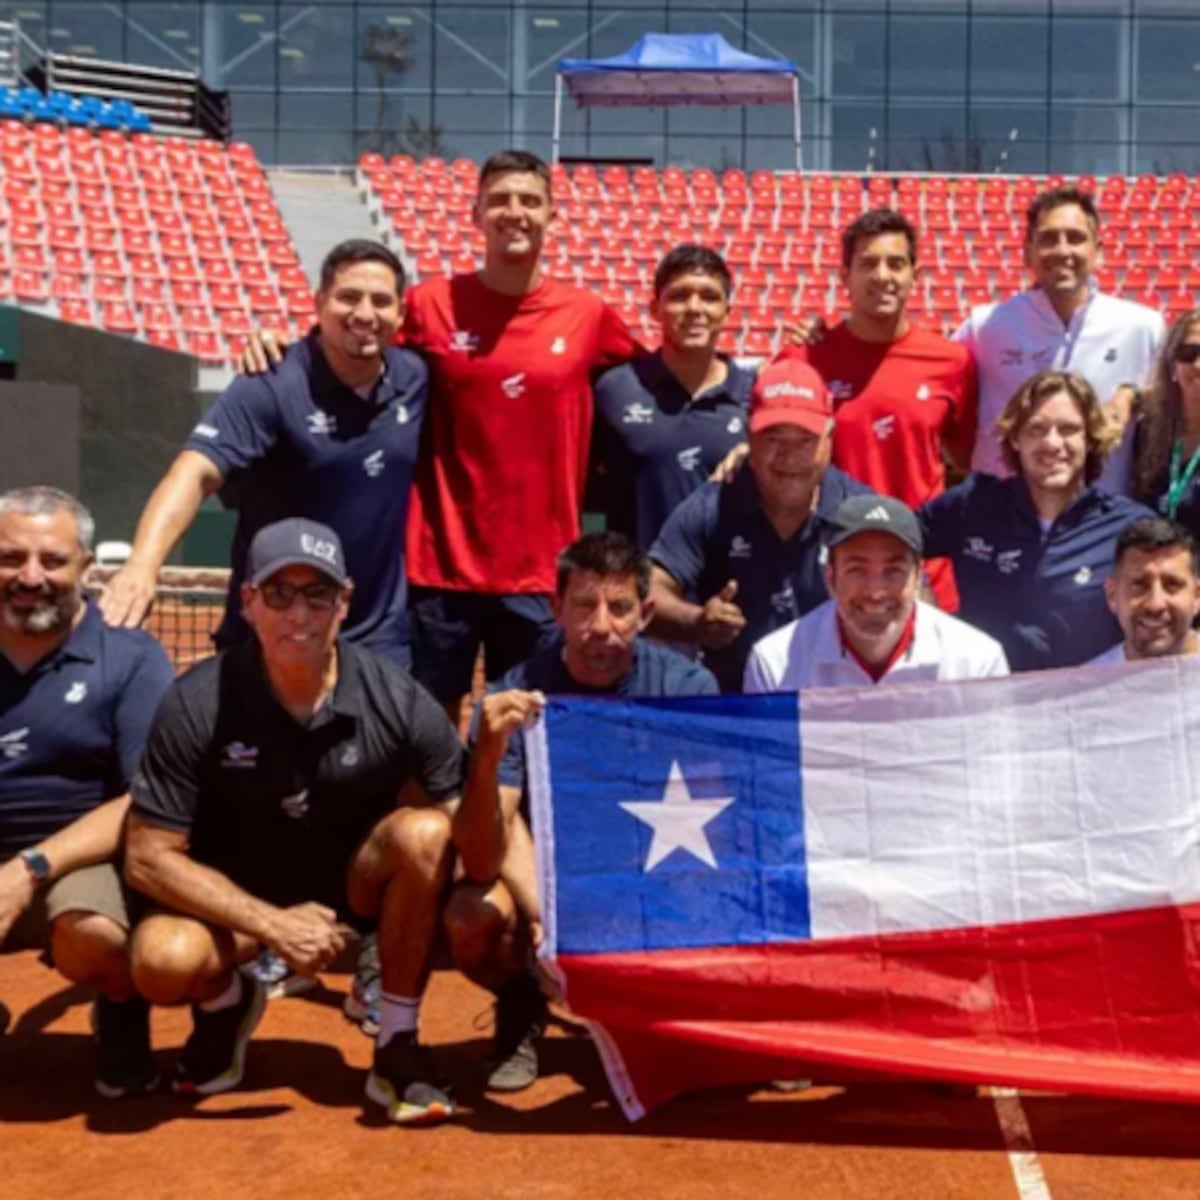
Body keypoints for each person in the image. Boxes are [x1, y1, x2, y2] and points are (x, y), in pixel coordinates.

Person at [241, 151, 641, 720]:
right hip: (438, 571)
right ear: (476, 213)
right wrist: (281, 342)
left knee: (533, 725)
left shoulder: (588, 315)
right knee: (424, 728)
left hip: (540, 574)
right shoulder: (429, 306)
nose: (515, 211)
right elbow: (354, 338)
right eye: (500, 199)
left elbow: (661, 379)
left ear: (552, 215)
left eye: (529, 200)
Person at [123, 519, 465, 1127]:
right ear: (248, 601)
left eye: (318, 595)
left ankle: (397, 1041)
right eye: (280, 594)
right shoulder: (196, 701)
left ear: (345, 602)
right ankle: (228, 1003)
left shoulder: (397, 697)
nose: (299, 614)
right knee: (161, 959)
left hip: (354, 892)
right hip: (242, 905)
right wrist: (272, 924)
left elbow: (464, 825)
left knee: (427, 835)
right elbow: (148, 854)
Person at [447, 531, 717, 1093]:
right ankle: (523, 1006)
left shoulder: (689, 687)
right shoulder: (511, 696)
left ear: (644, 613)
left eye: (619, 608)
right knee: (473, 914)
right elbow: (492, 836)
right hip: (548, 883)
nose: (601, 625)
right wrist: (549, 913)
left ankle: (692, 1022)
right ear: (555, 609)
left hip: (650, 878)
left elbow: (714, 826)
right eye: (583, 605)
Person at [99, 239, 426, 669]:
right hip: (274, 636)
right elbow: (194, 472)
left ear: (400, 314)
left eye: (381, 301)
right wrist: (141, 567)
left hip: (377, 642)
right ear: (319, 302)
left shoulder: (416, 377)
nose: (364, 314)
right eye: (349, 297)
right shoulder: (269, 383)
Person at [0, 486, 174, 1095]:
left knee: (93, 933)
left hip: (79, 861)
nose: (29, 577)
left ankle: (120, 1010)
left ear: (88, 569)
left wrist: (27, 869)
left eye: (52, 561)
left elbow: (142, 800)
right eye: (10, 558)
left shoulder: (130, 657)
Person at [777, 209, 976, 609]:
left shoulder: (952, 362)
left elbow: (965, 462)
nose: (883, 275)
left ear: (914, 276)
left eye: (895, 263)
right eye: (868, 263)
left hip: (924, 570)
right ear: (844, 276)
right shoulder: (803, 358)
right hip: (831, 567)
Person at [647, 358, 873, 692]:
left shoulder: (861, 512)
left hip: (834, 711)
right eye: (773, 439)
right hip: (736, 711)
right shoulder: (715, 503)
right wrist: (696, 621)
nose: (789, 457)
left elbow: (915, 598)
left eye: (805, 440)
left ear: (829, 439)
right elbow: (648, 588)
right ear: (749, 437)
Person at [918, 369, 1154, 671]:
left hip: (1085, 708)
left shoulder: (1128, 528)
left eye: (1068, 429)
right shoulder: (972, 504)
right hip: (986, 705)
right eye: (1036, 429)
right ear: (1015, 438)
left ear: (1091, 439)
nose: (1052, 443)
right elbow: (893, 541)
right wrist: (921, 595)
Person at [954, 185, 1163, 495]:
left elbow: (1173, 405)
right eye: (1048, 239)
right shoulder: (985, 326)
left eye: (1075, 238)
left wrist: (1133, 395)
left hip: (1100, 519)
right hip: (1000, 518)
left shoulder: (1143, 327)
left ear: (1098, 251)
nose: (1063, 251)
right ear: (1028, 251)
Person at [745, 495, 1008, 692]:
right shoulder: (775, 665)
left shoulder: (977, 663)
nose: (875, 591)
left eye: (894, 571)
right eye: (856, 569)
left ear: (918, 579)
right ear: (830, 577)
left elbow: (993, 762)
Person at [592, 245, 754, 549]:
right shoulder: (614, 389)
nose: (695, 308)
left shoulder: (755, 394)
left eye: (709, 297)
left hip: (725, 592)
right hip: (637, 588)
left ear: (727, 311)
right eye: (679, 296)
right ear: (655, 309)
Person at [1089, 517, 1200, 665]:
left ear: (1197, 596)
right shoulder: (1086, 684)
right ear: (1112, 595)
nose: (1155, 604)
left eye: (1172, 584)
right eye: (1139, 585)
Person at [1132, 308, 1200, 538]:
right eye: (1188, 353)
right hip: (1159, 568)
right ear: (1173, 367)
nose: (1198, 364)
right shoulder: (1148, 433)